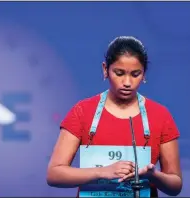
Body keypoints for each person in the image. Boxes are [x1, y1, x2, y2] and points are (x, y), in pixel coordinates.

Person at [46, 36, 182, 197]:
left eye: (135, 74)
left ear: (144, 74)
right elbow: (54, 174)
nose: (127, 82)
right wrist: (103, 172)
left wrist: (154, 176)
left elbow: (175, 185)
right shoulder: (82, 111)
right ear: (105, 69)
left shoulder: (160, 115)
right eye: (119, 73)